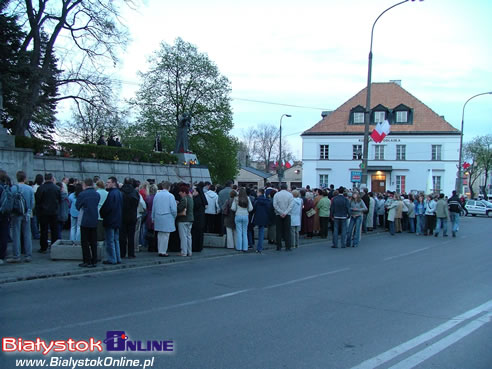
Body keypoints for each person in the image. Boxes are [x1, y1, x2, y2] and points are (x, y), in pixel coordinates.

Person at [9, 171, 34, 263]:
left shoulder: (13, 188)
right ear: (25, 178)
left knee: (16, 234)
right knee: (27, 234)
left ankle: (16, 256)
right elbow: (32, 203)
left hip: (16, 214)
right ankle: (28, 255)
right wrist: (29, 211)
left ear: (17, 177)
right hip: (26, 213)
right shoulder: (30, 189)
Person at [76, 178, 100, 267]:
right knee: (93, 241)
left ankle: (87, 260)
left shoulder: (82, 194)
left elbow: (78, 206)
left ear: (85, 185)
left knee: (85, 241)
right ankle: (94, 259)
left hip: (85, 219)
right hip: (94, 219)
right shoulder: (97, 194)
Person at [35, 173, 61, 253]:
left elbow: (38, 200)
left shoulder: (41, 188)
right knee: (54, 230)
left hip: (43, 212)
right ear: (52, 178)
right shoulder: (56, 188)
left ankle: (43, 247)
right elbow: (59, 200)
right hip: (54, 212)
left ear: (45, 179)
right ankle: (54, 245)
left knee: (43, 230)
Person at [100, 176, 122, 265]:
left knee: (110, 241)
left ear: (113, 183)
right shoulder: (119, 193)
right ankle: (117, 258)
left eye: (108, 182)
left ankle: (112, 258)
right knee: (115, 240)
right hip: (117, 219)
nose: (106, 184)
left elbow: (107, 207)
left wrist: (102, 213)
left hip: (111, 219)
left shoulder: (112, 194)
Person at [152, 181, 177, 257]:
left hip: (158, 216)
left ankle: (160, 250)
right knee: (166, 235)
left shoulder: (157, 195)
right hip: (167, 216)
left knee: (160, 234)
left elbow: (154, 207)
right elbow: (173, 209)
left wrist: (153, 217)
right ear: (169, 187)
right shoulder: (170, 196)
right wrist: (174, 216)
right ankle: (163, 251)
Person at [119, 177, 139, 258]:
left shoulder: (120, 192)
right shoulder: (135, 192)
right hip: (132, 215)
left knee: (122, 236)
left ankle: (122, 252)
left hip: (122, 215)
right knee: (131, 235)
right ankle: (131, 253)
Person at [273, 183, 294, 251]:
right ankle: (288, 246)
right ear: (286, 188)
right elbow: (291, 205)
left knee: (278, 230)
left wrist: (280, 212)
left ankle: (279, 246)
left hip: (278, 214)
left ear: (280, 187)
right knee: (287, 231)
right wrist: (285, 212)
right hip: (287, 214)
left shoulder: (276, 195)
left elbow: (275, 205)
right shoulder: (290, 195)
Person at [231, 187, 253, 252]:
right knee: (245, 232)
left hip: (238, 215)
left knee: (239, 232)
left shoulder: (236, 199)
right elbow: (251, 208)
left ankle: (239, 247)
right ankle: (245, 247)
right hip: (245, 215)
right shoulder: (247, 198)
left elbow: (233, 208)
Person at [176, 184, 194, 256]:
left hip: (183, 219)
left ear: (183, 192)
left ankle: (184, 252)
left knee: (183, 236)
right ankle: (189, 252)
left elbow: (179, 209)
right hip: (190, 219)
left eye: (180, 192)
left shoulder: (184, 199)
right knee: (188, 236)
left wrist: (177, 204)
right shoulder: (190, 199)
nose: (179, 193)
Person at [253, 188, 270, 253]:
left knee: (256, 230)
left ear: (260, 193)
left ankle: (256, 246)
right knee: (261, 232)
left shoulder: (257, 200)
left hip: (257, 217)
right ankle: (260, 247)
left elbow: (254, 209)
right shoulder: (267, 201)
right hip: (264, 217)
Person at [192, 185, 207, 252]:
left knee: (196, 234)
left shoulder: (196, 199)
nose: (193, 192)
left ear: (197, 192)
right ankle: (199, 247)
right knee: (200, 234)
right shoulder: (201, 199)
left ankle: (195, 247)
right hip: (201, 219)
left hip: (196, 219)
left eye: (194, 191)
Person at [145, 184, 158, 252]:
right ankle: (155, 246)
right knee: (156, 232)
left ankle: (150, 246)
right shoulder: (157, 197)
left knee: (149, 231)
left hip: (149, 214)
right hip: (155, 214)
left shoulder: (148, 197)